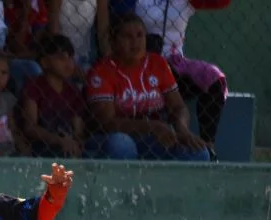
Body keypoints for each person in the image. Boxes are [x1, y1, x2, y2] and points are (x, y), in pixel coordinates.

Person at [84, 12, 209, 160]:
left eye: (139, 35)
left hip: (154, 138)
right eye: (127, 36)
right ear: (113, 41)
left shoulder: (157, 63)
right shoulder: (101, 72)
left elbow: (178, 107)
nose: (135, 42)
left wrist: (182, 129)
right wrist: (152, 126)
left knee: (198, 152)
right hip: (110, 139)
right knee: (121, 144)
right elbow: (108, 124)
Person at [132, 0, 229, 158]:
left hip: (174, 63)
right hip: (136, 61)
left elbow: (221, 2)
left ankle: (207, 147)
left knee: (213, 78)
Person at [20, 33, 87, 157]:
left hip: (69, 143)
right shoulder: (34, 86)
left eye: (71, 58)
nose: (68, 63)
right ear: (45, 62)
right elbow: (30, 127)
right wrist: (58, 140)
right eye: (61, 58)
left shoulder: (73, 91)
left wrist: (75, 141)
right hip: (42, 144)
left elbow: (78, 130)